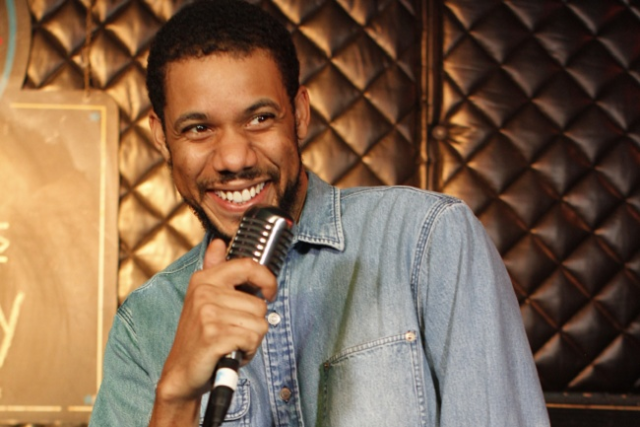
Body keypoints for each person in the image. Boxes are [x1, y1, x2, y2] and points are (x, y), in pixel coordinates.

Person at [89, 0, 551, 426]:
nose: (233, 158)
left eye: (260, 118)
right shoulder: (142, 327)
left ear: (300, 114)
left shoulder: (427, 240)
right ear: (161, 138)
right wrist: (176, 394)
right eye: (198, 128)